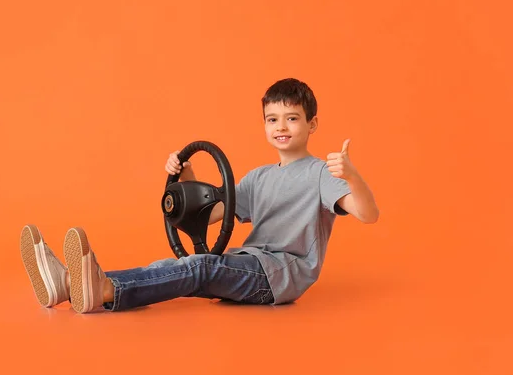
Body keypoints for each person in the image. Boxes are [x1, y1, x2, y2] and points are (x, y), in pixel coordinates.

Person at [20, 78, 380, 313]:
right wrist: (184, 177)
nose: (281, 127)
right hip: (249, 263)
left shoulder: (320, 174)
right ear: (264, 125)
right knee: (172, 268)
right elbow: (208, 214)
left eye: (292, 118)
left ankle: (101, 290)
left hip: (277, 278)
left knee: (201, 266)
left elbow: (368, 214)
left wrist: (351, 176)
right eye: (272, 119)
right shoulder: (259, 178)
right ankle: (67, 284)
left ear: (312, 124)